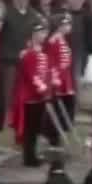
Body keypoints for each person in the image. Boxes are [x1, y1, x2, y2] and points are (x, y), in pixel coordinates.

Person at [14, 22, 57, 166]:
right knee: (30, 130)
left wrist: (48, 90)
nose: (43, 36)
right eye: (41, 33)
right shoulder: (30, 54)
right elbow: (33, 77)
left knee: (35, 129)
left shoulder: (41, 53)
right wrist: (44, 90)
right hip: (31, 97)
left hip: (39, 97)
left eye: (45, 33)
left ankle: (32, 155)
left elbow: (45, 74)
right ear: (33, 34)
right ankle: (29, 158)